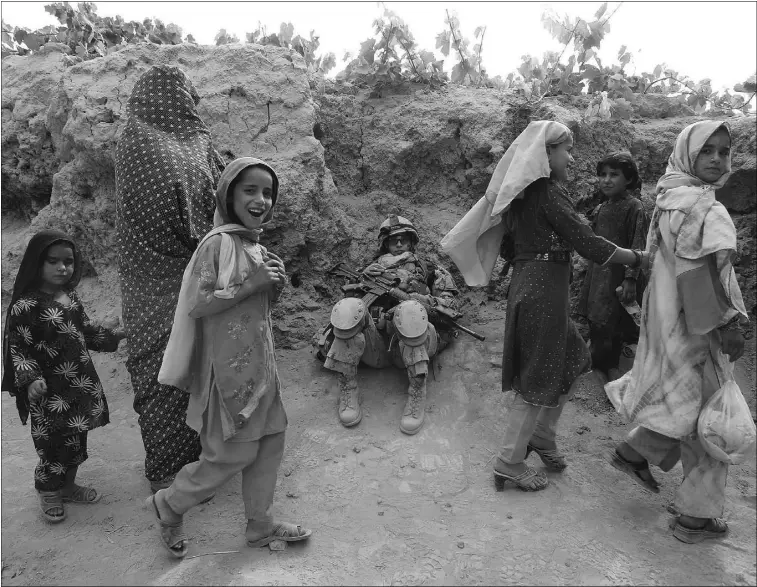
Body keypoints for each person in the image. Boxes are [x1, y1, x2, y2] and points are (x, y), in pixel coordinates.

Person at [441, 120, 649, 492]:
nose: (570, 157)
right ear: (546, 154)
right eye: (565, 149)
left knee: (573, 357)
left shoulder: (523, 196)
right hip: (542, 293)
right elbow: (588, 244)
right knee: (538, 375)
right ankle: (509, 460)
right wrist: (640, 258)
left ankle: (542, 436)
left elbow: (512, 246)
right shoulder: (548, 192)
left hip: (534, 287)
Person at [147, 157, 311, 558]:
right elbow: (197, 304)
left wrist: (273, 287)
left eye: (268, 192)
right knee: (230, 454)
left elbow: (256, 309)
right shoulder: (217, 243)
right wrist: (251, 283)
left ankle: (260, 525)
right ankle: (170, 504)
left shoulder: (254, 245)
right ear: (229, 194)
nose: (261, 199)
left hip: (262, 370)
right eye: (250, 190)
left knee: (270, 444)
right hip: (227, 375)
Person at [605, 121, 748, 544]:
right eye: (709, 151)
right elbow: (698, 277)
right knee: (710, 424)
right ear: (690, 154)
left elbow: (659, 262)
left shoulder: (669, 196)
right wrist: (729, 327)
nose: (718, 160)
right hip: (698, 330)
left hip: (667, 325)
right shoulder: (705, 207)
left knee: (683, 406)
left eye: (724, 151)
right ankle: (695, 519)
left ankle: (633, 452)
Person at [115, 65, 225, 495]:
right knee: (194, 365)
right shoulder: (197, 145)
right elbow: (211, 210)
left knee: (157, 368)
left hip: (143, 277)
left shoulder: (130, 140)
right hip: (190, 271)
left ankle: (166, 467)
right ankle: (198, 459)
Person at [2, 230, 126, 523]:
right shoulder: (25, 306)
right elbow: (18, 348)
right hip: (49, 392)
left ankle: (68, 487)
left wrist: (113, 336)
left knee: (75, 440)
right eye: (53, 261)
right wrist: (31, 379)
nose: (62, 268)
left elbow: (85, 330)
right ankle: (49, 491)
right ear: (36, 263)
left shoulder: (70, 296)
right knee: (51, 445)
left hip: (78, 384)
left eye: (68, 261)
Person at [315, 214, 460, 435]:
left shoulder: (431, 270)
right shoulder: (369, 270)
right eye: (394, 240)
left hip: (411, 348)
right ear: (385, 243)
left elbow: (451, 309)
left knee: (409, 311)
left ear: (412, 241)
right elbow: (347, 316)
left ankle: (417, 392)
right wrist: (363, 281)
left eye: (403, 239)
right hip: (374, 348)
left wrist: (416, 297)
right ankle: (348, 388)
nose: (399, 243)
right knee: (347, 306)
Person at [577, 152, 648, 382]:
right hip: (598, 274)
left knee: (616, 321)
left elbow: (638, 244)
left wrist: (630, 278)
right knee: (597, 317)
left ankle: (612, 366)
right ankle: (596, 358)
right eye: (603, 175)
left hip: (619, 275)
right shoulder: (601, 208)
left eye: (614, 175)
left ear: (628, 179)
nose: (606, 180)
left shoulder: (635, 208)